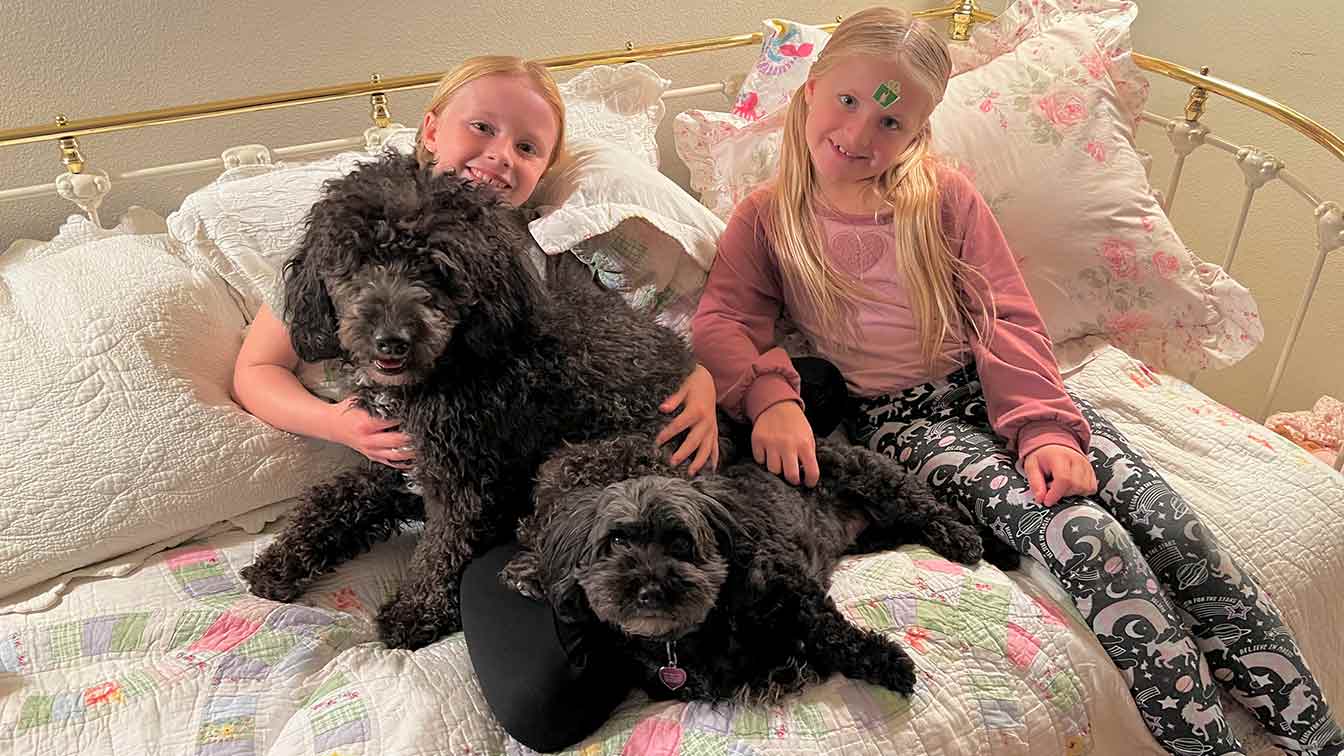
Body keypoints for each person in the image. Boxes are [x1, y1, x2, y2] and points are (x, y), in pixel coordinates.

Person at [690, 8, 1342, 755]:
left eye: (893, 122)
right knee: (1086, 538)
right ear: (811, 91)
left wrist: (1042, 427)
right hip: (905, 423)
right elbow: (722, 323)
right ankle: (1209, 746)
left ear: (921, 131)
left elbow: (1005, 315)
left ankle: (1315, 737)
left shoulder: (941, 198)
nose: (863, 135)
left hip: (1001, 386)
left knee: (1170, 522)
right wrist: (773, 397)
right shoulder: (767, 218)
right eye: (848, 101)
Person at [231, 55, 719, 752]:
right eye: (481, 128)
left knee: (534, 687)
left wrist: (697, 376)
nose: (499, 155)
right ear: (431, 129)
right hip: (490, 478)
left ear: (545, 169)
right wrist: (338, 422)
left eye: (526, 147)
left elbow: (459, 498)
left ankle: (657, 630)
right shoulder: (354, 219)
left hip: (592, 472)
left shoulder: (544, 256)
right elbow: (264, 371)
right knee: (413, 479)